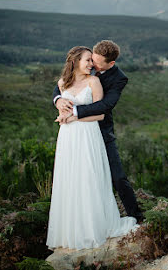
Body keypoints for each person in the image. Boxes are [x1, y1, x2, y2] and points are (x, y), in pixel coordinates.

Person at [46, 46, 137, 250]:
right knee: (71, 178)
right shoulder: (75, 71)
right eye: (90, 60)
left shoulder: (116, 78)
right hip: (70, 136)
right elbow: (60, 87)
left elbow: (104, 107)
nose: (92, 65)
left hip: (98, 133)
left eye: (95, 63)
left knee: (113, 177)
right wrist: (58, 100)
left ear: (109, 64)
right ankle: (74, 227)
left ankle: (135, 216)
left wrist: (73, 113)